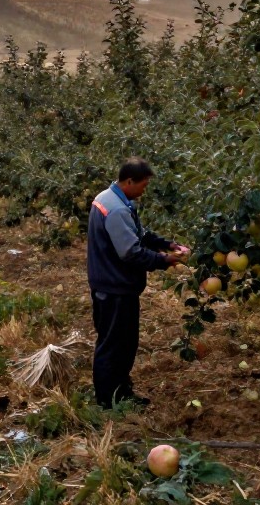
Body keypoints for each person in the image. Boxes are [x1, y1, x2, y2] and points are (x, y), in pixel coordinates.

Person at [86, 157, 188, 408]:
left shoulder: (108, 199)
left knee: (119, 343)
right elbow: (130, 252)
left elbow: (138, 234)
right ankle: (108, 401)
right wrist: (164, 260)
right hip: (115, 288)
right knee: (115, 345)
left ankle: (118, 392)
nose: (144, 190)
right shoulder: (117, 209)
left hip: (108, 283)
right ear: (129, 181)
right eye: (143, 185)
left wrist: (166, 244)